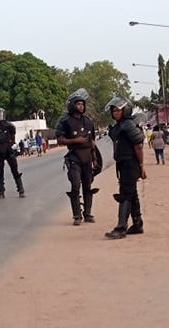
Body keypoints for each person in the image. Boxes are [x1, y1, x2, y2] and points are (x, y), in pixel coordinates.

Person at [104, 96, 146, 239]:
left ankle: (121, 227)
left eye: (118, 110)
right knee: (132, 194)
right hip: (123, 164)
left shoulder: (128, 125)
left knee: (125, 195)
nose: (115, 113)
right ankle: (138, 224)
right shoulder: (118, 126)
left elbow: (138, 146)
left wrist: (141, 167)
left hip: (130, 164)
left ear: (125, 110)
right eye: (114, 111)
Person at [55, 88, 98, 226]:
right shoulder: (65, 121)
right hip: (74, 157)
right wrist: (75, 141)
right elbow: (60, 140)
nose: (81, 106)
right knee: (75, 185)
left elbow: (92, 142)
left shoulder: (88, 122)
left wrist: (95, 158)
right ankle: (76, 215)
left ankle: (88, 213)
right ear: (72, 105)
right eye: (78, 104)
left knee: (88, 185)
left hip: (87, 158)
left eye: (82, 104)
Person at [0, 107, 25, 199]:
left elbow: (13, 135)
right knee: (0, 173)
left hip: (8, 150)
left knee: (15, 170)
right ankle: (1, 192)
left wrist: (12, 144)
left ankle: (21, 190)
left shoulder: (9, 126)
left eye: (0, 114)